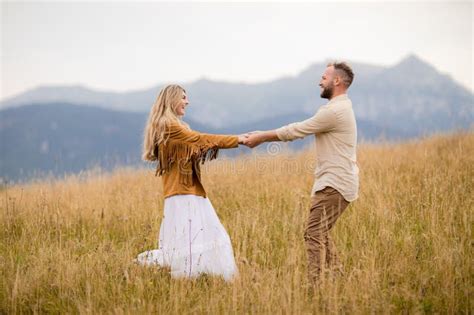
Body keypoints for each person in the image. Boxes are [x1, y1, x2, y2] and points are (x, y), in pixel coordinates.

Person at [243, 62, 359, 283]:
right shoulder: (340, 108)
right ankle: (339, 280)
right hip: (337, 183)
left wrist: (261, 136)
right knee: (320, 232)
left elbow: (297, 129)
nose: (319, 81)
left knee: (313, 233)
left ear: (337, 81)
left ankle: (315, 286)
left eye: (324, 77)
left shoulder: (334, 111)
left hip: (334, 185)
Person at [135, 84, 247, 281]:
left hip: (187, 192)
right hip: (183, 194)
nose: (187, 102)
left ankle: (197, 280)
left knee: (195, 241)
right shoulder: (168, 125)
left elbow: (195, 146)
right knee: (197, 241)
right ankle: (189, 279)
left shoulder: (174, 126)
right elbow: (199, 139)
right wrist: (238, 139)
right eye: (183, 97)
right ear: (172, 99)